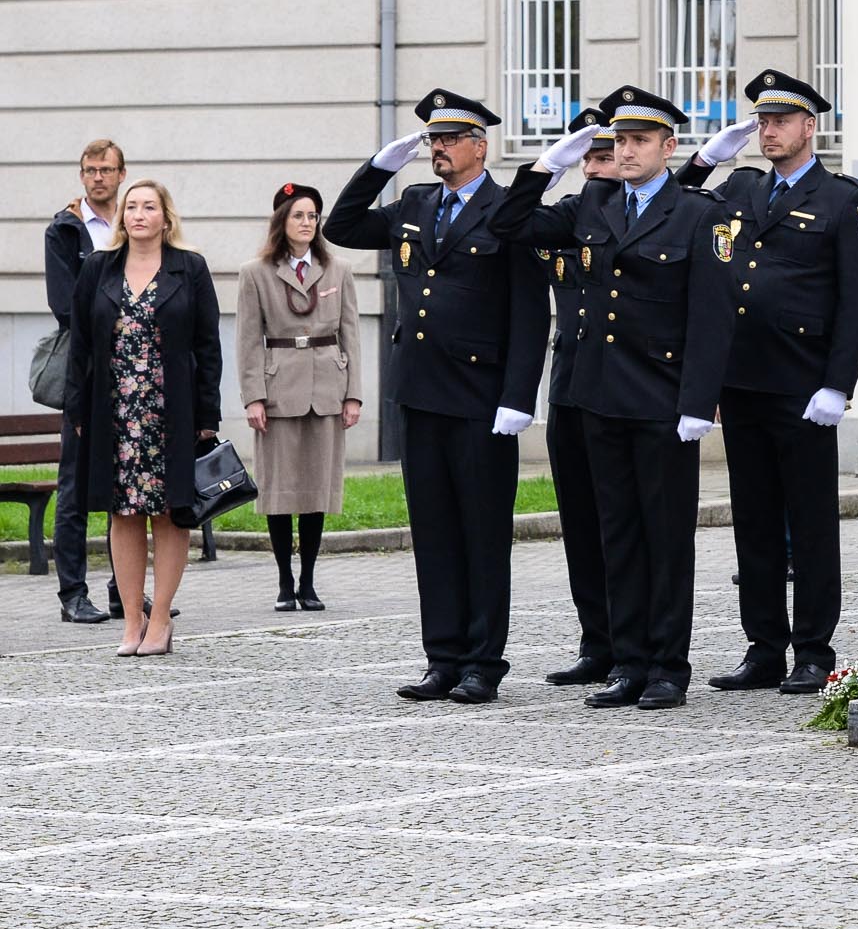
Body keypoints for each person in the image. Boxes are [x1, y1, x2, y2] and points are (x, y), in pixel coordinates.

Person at [491, 85, 736, 712]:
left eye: (639, 141)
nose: (625, 152)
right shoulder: (594, 203)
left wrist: (696, 402)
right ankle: (627, 663)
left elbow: (711, 316)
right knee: (617, 534)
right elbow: (510, 223)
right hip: (599, 396)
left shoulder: (698, 213)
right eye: (619, 141)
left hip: (661, 399)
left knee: (664, 535)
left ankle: (666, 666)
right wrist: (547, 166)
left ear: (668, 146)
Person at [324, 89, 549, 705]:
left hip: (481, 397)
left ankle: (482, 661)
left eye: (450, 139)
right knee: (435, 532)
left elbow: (531, 312)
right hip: (422, 391)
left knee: (481, 532)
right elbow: (340, 227)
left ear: (481, 145)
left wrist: (518, 395)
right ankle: (442, 656)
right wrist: (377, 169)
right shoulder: (416, 202)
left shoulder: (509, 212)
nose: (439, 149)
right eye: (432, 140)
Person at [673, 69, 858, 695]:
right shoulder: (738, 188)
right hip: (743, 380)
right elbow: (671, 204)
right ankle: (763, 645)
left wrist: (838, 384)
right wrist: (706, 157)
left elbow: (857, 297)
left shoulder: (844, 198)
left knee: (810, 521)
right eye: (762, 122)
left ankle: (813, 648)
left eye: (780, 121)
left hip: (803, 385)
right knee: (754, 520)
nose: (768, 131)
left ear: (809, 127)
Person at [63, 180, 221, 658]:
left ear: (165, 217)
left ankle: (160, 619)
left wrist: (208, 413)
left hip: (170, 411)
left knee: (171, 515)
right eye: (131, 207)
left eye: (148, 207)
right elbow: (81, 346)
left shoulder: (189, 268)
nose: (138, 214)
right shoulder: (98, 267)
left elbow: (207, 346)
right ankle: (130, 619)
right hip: (115, 411)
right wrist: (76, 407)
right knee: (123, 512)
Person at [236, 183, 363, 612]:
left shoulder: (339, 269)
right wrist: (253, 396)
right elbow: (248, 339)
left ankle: (308, 580)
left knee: (315, 488)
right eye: (298, 216)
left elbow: (351, 335)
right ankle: (284, 581)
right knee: (279, 489)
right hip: (278, 388)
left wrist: (354, 395)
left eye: (312, 216)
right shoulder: (256, 272)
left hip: (328, 386)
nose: (307, 223)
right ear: (281, 222)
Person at [535, 109, 620, 686]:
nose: (594, 166)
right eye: (588, 156)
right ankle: (597, 640)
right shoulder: (571, 220)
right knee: (580, 522)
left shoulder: (643, 219)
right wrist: (544, 170)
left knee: (620, 521)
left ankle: (630, 639)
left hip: (622, 388)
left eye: (605, 154)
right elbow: (512, 222)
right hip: (567, 381)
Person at [44, 139, 125, 624]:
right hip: (87, 373)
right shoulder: (65, 230)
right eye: (91, 170)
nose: (98, 177)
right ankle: (73, 593)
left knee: (127, 489)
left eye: (107, 169)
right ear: (82, 176)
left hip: (134, 375)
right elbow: (65, 305)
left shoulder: (135, 222)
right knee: (74, 489)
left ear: (121, 174)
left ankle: (125, 590)